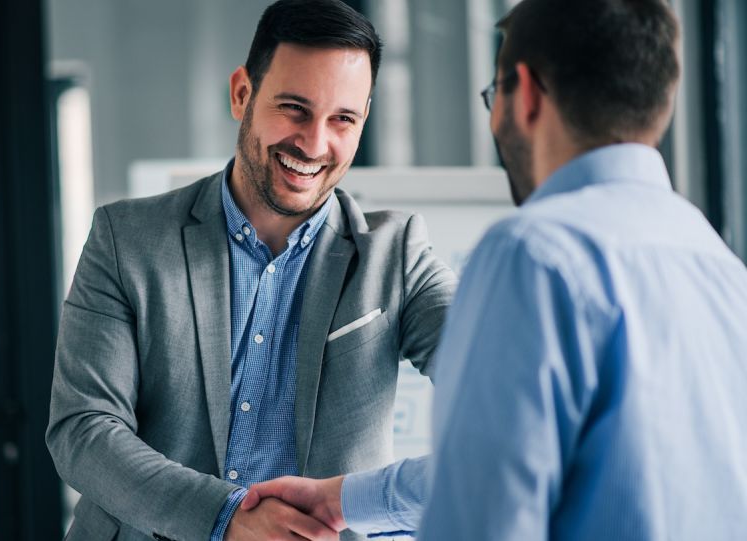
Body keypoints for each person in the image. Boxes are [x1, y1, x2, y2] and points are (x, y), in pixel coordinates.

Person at [243, 0, 747, 539]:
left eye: (493, 95)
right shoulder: (721, 268)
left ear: (524, 92)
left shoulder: (534, 253)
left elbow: (484, 514)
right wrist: (345, 500)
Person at [45, 1, 457, 540]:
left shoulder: (397, 256)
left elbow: (506, 388)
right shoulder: (127, 240)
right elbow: (84, 430)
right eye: (294, 108)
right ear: (243, 94)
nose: (313, 143)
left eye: (342, 119)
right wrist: (226, 518)